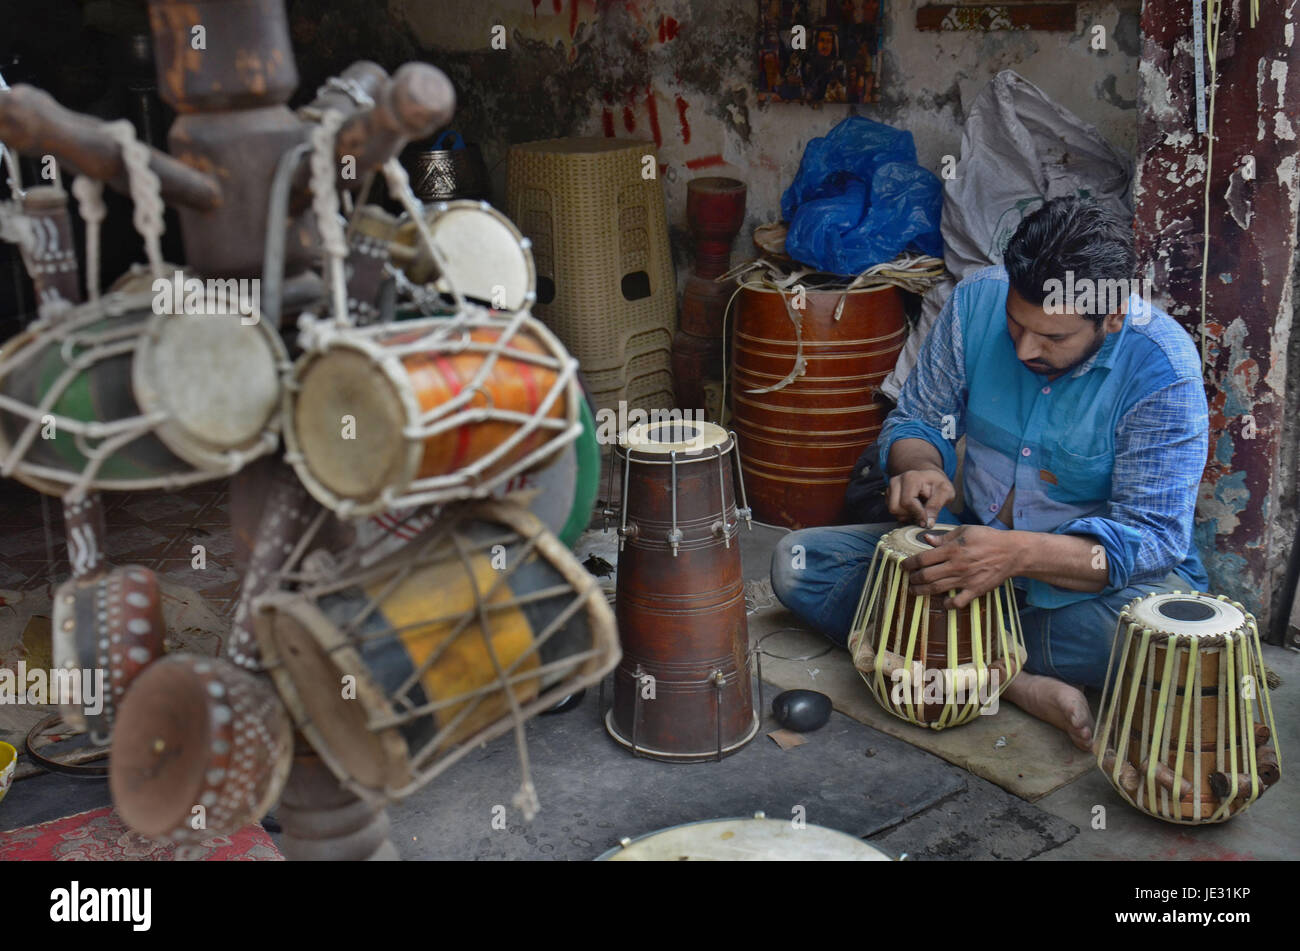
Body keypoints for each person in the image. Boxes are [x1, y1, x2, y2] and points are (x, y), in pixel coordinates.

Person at [770, 197, 1209, 752]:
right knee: (798, 566)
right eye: (1017, 324)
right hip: (963, 548)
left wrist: (1017, 555)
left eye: (1054, 338)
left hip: (1079, 589)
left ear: (1113, 314)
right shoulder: (976, 301)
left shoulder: (1161, 367)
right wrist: (920, 466)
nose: (1026, 348)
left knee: (1165, 647)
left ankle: (954, 653)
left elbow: (1154, 539)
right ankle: (1015, 680)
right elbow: (915, 420)